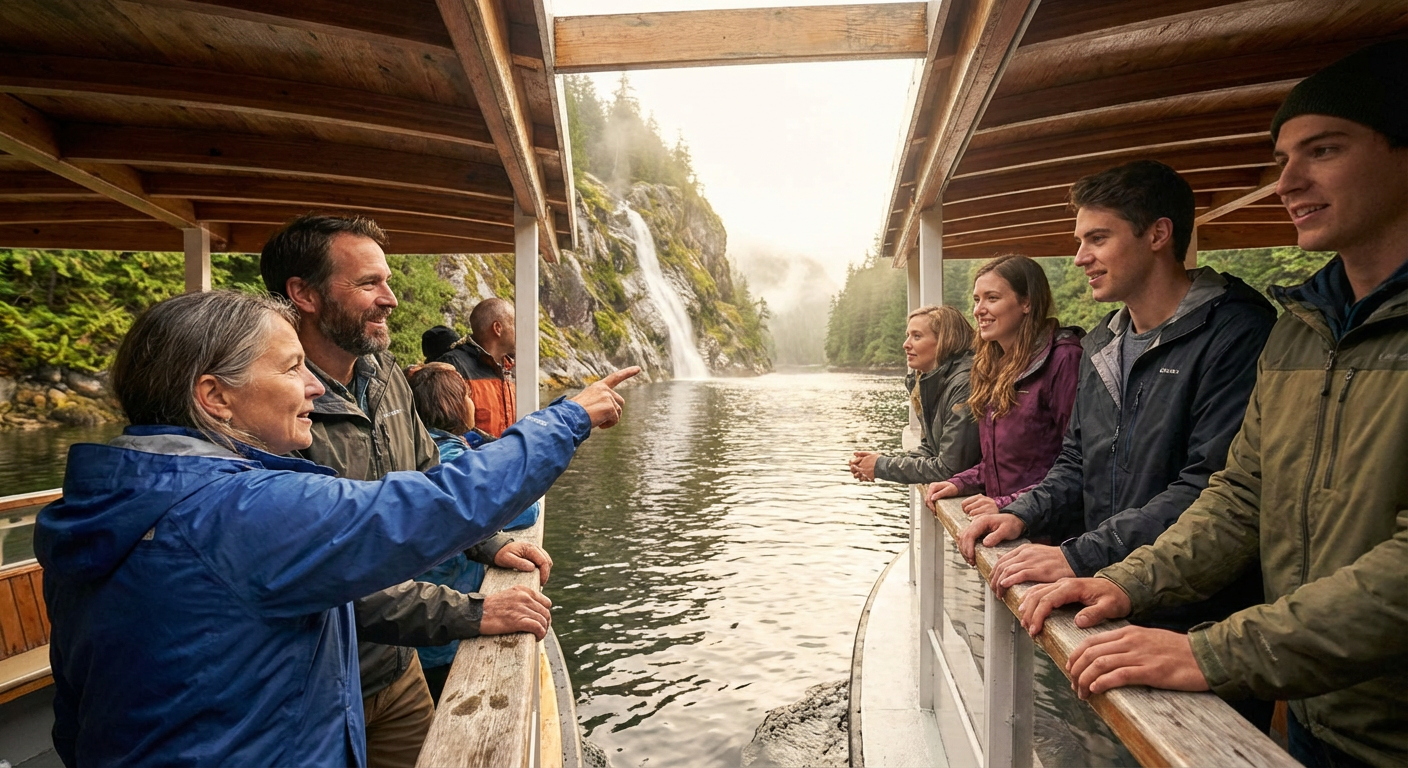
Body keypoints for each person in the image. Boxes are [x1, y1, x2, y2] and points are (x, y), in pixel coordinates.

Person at [35, 289, 637, 767]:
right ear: (214, 396)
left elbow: (75, 708)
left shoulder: (113, 499)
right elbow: (435, 504)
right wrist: (569, 418)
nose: (316, 387)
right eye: (293, 367)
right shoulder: (238, 512)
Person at [1017, 41, 1408, 767]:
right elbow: (1239, 495)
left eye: (1322, 149)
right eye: (1283, 158)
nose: (1286, 181)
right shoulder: (1302, 330)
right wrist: (1118, 580)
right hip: (1316, 710)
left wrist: (1212, 650)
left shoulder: (1245, 330)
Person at [260, 214, 552, 768]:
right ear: (304, 294)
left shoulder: (385, 372)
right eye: (368, 283)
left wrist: (488, 543)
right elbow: (326, 575)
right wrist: (472, 612)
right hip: (308, 686)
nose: (390, 299)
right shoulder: (269, 412)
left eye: (388, 281)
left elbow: (429, 477)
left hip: (397, 667)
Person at [957, 161, 1275, 622]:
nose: (1080, 257)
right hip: (1105, 590)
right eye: (1080, 241)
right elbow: (1075, 459)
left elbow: (1210, 483)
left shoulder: (1236, 334)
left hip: (1196, 612)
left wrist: (1080, 555)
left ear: (1158, 234)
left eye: (1098, 238)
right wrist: (1023, 512)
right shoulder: (1102, 342)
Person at [404, 362, 538, 702]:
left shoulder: (419, 450)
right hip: (447, 628)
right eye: (466, 394)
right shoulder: (452, 459)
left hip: (421, 623)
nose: (472, 401)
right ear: (452, 403)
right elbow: (527, 510)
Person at [926, 255, 1083, 517]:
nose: (978, 310)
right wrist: (959, 482)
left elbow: (1079, 463)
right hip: (1010, 528)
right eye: (977, 299)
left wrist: (1005, 503)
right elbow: (1000, 463)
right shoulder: (994, 366)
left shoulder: (1064, 360)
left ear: (1026, 302)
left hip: (1051, 535)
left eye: (992, 298)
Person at [849, 304, 980, 485]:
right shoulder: (930, 382)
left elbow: (951, 468)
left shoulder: (964, 385)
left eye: (917, 336)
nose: (906, 344)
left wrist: (882, 466)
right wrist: (878, 462)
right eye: (907, 335)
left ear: (945, 341)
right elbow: (930, 449)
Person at [436, 298, 518, 438]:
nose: (521, 332)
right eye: (515, 324)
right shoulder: (453, 366)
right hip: (476, 459)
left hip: (507, 458)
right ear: (497, 328)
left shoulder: (511, 368)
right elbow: (447, 433)